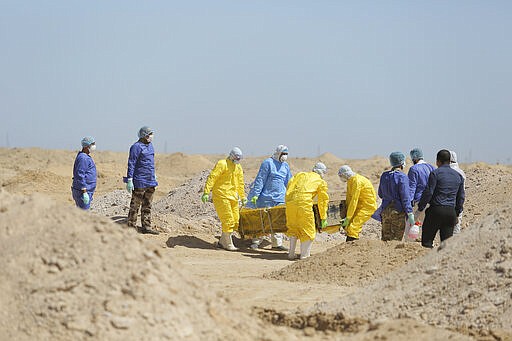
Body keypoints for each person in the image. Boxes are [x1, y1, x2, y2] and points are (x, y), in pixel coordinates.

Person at [247, 145, 292, 251]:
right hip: (266, 198)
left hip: (280, 198)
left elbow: (289, 182)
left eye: (286, 154)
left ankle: (276, 244)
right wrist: (255, 195)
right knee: (263, 221)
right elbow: (260, 179)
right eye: (283, 154)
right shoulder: (268, 163)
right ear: (278, 153)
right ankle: (256, 242)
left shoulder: (285, 166)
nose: (285, 156)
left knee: (278, 222)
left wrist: (290, 195)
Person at [202, 147, 247, 251]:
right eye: (236, 157)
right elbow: (212, 177)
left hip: (233, 196)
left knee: (235, 220)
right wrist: (206, 191)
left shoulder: (238, 167)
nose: (237, 159)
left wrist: (243, 196)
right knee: (228, 219)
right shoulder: (222, 164)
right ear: (231, 156)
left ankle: (222, 242)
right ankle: (228, 244)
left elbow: (240, 183)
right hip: (221, 195)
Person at [417, 150, 465, 248]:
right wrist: (457, 213)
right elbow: (461, 197)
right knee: (446, 246)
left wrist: (420, 207)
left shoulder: (435, 173)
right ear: (450, 161)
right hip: (450, 213)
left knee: (427, 242)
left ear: (438, 161)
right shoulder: (458, 176)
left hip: (436, 211)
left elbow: (429, 192)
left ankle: (427, 262)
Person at [285, 162, 329, 260]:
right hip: (304, 205)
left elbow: (290, 184)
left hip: (290, 204)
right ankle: (304, 256)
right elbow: (323, 201)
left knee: (293, 227)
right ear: (322, 172)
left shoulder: (301, 175)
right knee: (308, 230)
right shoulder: (320, 181)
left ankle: (291, 254)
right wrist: (323, 217)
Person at [125, 126, 159, 235]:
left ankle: (146, 226)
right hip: (140, 180)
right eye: (149, 134)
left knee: (147, 204)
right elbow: (131, 163)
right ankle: (131, 227)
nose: (151, 136)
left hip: (150, 180)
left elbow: (151, 162)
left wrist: (154, 174)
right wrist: (130, 179)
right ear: (144, 135)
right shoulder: (136, 147)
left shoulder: (150, 146)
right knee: (135, 205)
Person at [374, 152, 415, 241]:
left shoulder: (384, 175)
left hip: (385, 211)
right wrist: (410, 212)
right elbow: (405, 198)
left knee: (385, 239)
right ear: (401, 163)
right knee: (396, 240)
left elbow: (380, 194)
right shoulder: (402, 177)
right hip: (397, 212)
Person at [338, 165, 377, 242]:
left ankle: (353, 246)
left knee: (353, 227)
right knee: (349, 227)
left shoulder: (357, 181)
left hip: (367, 207)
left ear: (345, 175)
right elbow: (349, 198)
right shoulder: (350, 181)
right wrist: (347, 213)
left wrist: (348, 217)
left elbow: (354, 200)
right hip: (359, 206)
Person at [408, 148, 435, 223]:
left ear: (414, 158)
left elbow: (411, 187)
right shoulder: (432, 167)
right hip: (432, 201)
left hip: (419, 202)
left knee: (417, 227)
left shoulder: (414, 169)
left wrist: (409, 203)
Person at [71, 136, 97, 210]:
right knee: (83, 213)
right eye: (92, 144)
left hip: (86, 190)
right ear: (86, 146)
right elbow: (80, 175)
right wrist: (84, 191)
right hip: (82, 192)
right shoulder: (83, 158)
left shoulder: (85, 157)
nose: (94, 146)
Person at [449, 150, 466, 234]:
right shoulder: (461, 172)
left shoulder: (445, 171)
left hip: (446, 204)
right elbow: (462, 194)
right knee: (456, 229)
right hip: (458, 204)